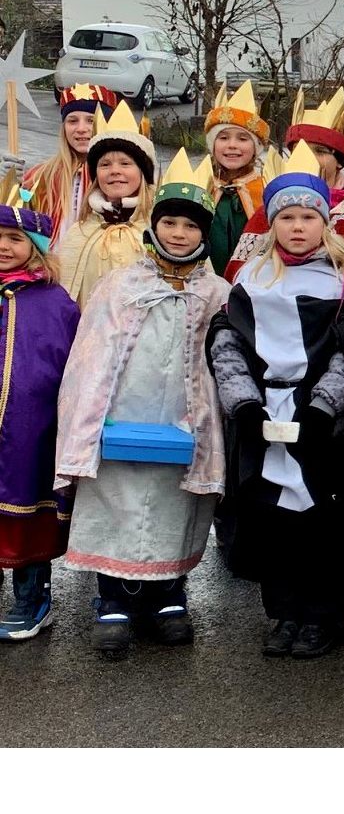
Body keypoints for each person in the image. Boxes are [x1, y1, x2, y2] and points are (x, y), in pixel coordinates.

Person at [54, 148, 230, 659]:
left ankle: (168, 595)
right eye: (169, 222)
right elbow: (89, 357)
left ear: (204, 235)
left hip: (184, 420)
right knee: (118, 502)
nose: (178, 233)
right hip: (122, 420)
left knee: (176, 503)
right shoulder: (121, 285)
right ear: (154, 226)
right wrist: (89, 421)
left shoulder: (217, 293)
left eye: (190, 227)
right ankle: (112, 600)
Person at [206, 142, 344, 659]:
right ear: (272, 224)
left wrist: (324, 408)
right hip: (261, 412)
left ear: (326, 223)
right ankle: (284, 612)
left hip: (320, 418)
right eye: (287, 217)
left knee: (319, 518)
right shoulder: (250, 282)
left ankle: (322, 615)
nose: (298, 227)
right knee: (270, 518)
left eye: (308, 217)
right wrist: (244, 405)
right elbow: (229, 347)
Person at [0, 174, 80, 640]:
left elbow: (72, 362)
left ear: (35, 247)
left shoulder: (56, 303)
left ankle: (32, 595)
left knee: (29, 510)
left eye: (15, 238)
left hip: (33, 429)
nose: (5, 247)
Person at [224, 88, 344, 285]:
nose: (309, 158)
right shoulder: (268, 214)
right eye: (300, 149)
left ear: (339, 161)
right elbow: (238, 279)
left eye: (320, 151)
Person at [56, 100, 157, 309]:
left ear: (143, 173)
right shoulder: (81, 231)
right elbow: (64, 296)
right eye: (105, 164)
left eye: (126, 163)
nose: (114, 171)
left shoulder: (159, 227)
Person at [23, 83, 119, 246]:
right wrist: (10, 185)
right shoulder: (40, 175)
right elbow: (18, 224)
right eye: (72, 121)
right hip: (50, 266)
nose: (81, 128)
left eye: (91, 120)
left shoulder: (121, 177)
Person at [203, 82, 270, 279]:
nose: (232, 145)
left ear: (256, 147)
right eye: (223, 138)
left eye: (242, 139)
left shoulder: (265, 189)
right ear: (213, 144)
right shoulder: (202, 185)